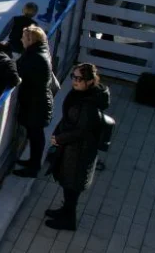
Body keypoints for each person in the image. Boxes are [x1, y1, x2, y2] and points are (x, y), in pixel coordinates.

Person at [45, 63, 110, 231]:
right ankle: (65, 212)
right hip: (73, 149)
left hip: (79, 151)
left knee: (72, 187)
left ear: (89, 81)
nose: (75, 81)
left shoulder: (88, 104)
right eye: (73, 77)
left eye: (79, 78)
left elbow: (81, 131)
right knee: (68, 185)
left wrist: (59, 138)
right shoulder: (81, 95)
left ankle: (69, 220)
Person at [14, 26, 59, 179]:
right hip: (37, 102)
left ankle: (34, 167)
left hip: (37, 104)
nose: (21, 39)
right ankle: (33, 162)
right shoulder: (38, 52)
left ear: (31, 40)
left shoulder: (35, 56)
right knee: (35, 136)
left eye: (24, 37)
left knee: (36, 135)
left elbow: (17, 71)